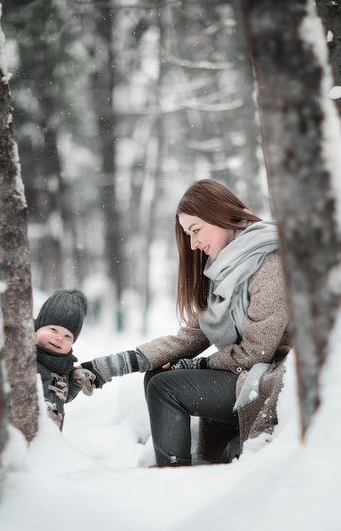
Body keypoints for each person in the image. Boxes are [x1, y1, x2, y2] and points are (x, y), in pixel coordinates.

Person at [81, 179, 291, 466]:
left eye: (195, 230)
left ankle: (174, 479)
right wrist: (109, 366)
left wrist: (199, 365)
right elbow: (188, 337)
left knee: (165, 388)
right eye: (188, 234)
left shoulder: (269, 261)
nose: (193, 244)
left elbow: (257, 352)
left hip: (269, 380)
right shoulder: (223, 271)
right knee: (155, 377)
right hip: (247, 373)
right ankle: (176, 465)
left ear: (220, 215)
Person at [34, 289, 91, 431]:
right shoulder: (23, 355)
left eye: (67, 336)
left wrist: (75, 382)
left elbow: (62, 397)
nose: (59, 338)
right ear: (38, 328)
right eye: (53, 329)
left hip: (50, 439)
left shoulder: (63, 366)